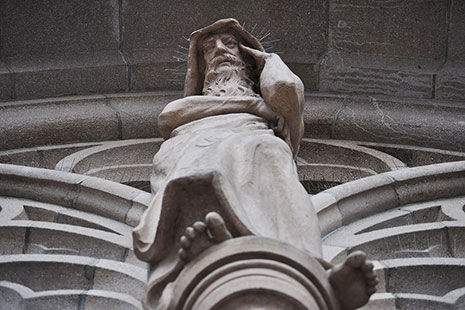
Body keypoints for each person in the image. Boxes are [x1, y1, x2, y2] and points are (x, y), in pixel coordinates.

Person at [133, 19, 376, 310]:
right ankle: (206, 255)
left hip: (257, 145)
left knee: (272, 151)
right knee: (196, 175)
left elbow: (286, 87)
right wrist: (251, 106)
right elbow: (170, 116)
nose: (219, 50)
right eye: (209, 48)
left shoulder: (278, 111)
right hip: (192, 147)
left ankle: (311, 269)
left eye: (230, 44)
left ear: (246, 55)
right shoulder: (197, 105)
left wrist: (269, 60)